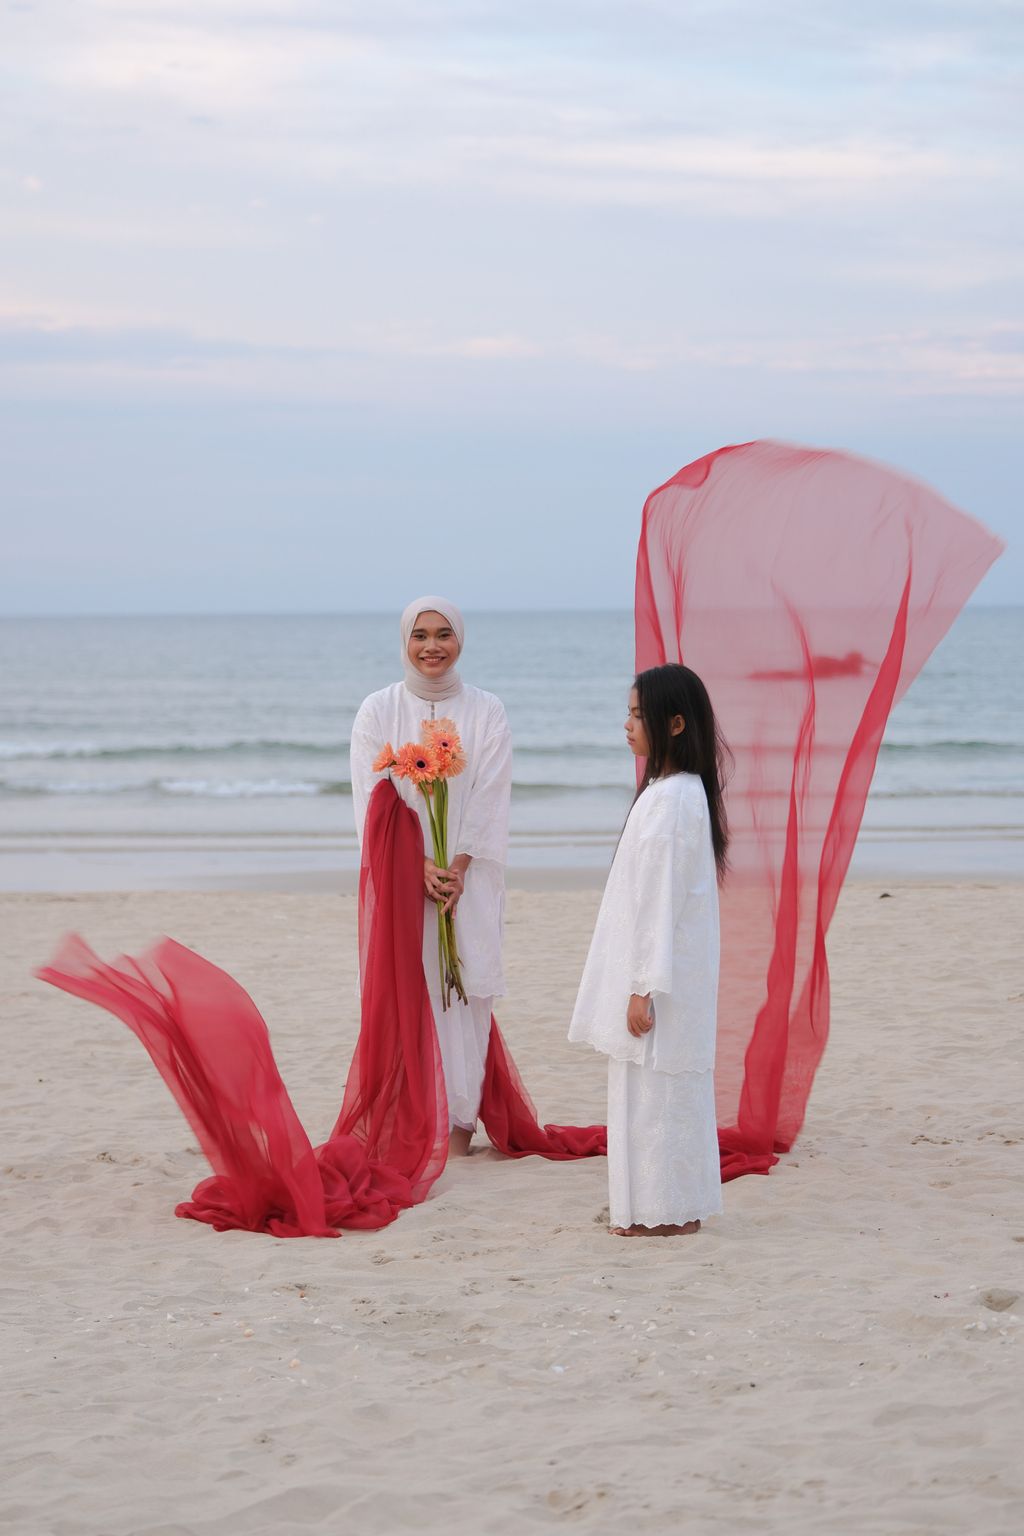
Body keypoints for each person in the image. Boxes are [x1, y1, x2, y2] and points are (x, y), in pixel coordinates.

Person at [568, 663, 729, 1236]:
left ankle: (666, 1216)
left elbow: (661, 899)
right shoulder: (671, 793)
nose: (628, 725)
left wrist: (643, 986)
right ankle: (658, 1211)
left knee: (660, 1090)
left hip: (662, 977)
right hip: (663, 970)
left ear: (675, 724)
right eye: (629, 713)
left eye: (639, 715)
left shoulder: (674, 800)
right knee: (654, 1089)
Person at [350, 597, 512, 1157]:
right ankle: (416, 1120)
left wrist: (458, 866)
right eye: (420, 635)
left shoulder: (487, 710)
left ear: (460, 640)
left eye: (444, 634)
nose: (432, 646)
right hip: (403, 881)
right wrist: (416, 865)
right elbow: (371, 800)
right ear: (405, 641)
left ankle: (460, 1124)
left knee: (466, 992)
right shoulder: (378, 710)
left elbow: (491, 795)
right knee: (410, 990)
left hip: (469, 881)